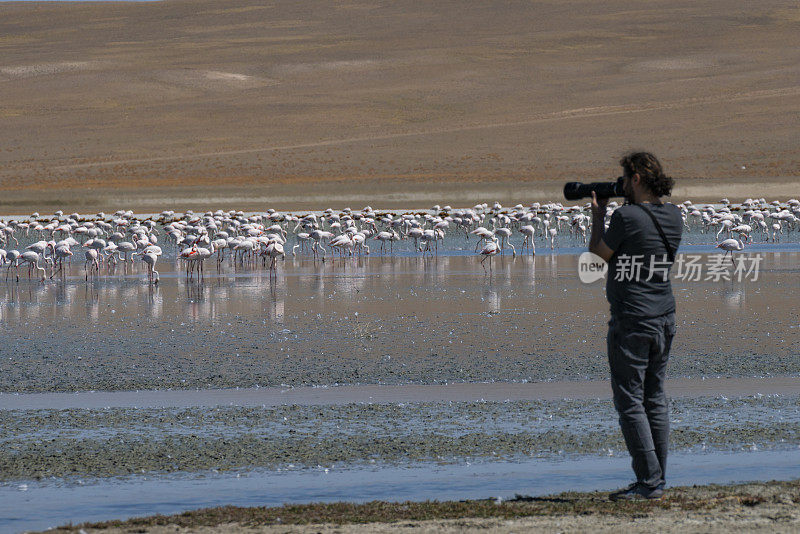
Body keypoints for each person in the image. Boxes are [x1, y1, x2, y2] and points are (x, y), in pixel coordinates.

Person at [588, 152, 683, 500]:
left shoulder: (626, 217)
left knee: (630, 401)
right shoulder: (674, 216)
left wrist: (599, 216)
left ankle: (648, 482)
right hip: (664, 318)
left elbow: (599, 252)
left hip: (632, 320)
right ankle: (656, 479)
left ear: (637, 179)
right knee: (654, 397)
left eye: (625, 178)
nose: (622, 184)